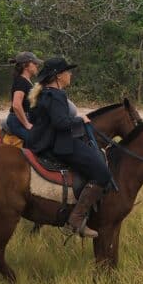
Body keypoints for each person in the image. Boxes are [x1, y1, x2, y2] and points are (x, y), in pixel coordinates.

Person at [26, 57, 112, 238]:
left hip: (40, 143)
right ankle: (76, 219)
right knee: (103, 173)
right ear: (58, 76)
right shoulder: (57, 95)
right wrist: (80, 120)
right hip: (59, 144)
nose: (70, 74)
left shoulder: (42, 93)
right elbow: (60, 123)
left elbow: (33, 119)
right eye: (67, 72)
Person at [5, 51, 42, 144]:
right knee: (36, 141)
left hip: (23, 118)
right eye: (34, 63)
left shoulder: (26, 80)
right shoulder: (21, 81)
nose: (37, 65)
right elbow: (16, 105)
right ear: (26, 65)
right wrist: (27, 124)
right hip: (18, 121)